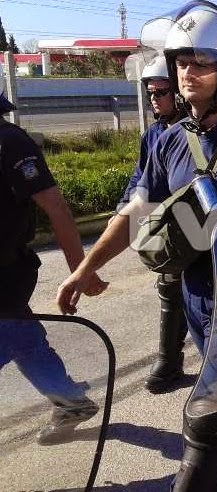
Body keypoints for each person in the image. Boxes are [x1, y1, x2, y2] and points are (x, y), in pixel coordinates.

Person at [56, 1, 217, 492]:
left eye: (201, 63)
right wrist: (85, 267)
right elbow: (134, 213)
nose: (189, 74)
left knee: (206, 420)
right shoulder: (169, 140)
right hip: (196, 294)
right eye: (182, 63)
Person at [0, 66, 108, 445]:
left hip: (6, 274)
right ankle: (70, 399)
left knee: (8, 331)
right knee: (22, 338)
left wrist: (82, 270)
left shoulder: (10, 143)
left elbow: (56, 207)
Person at [119, 56, 189, 394]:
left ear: (178, 93)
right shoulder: (153, 135)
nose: (153, 99)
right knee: (170, 286)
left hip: (202, 225)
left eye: (161, 91)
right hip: (170, 228)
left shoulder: (196, 129)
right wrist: (123, 208)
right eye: (150, 92)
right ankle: (169, 360)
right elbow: (140, 177)